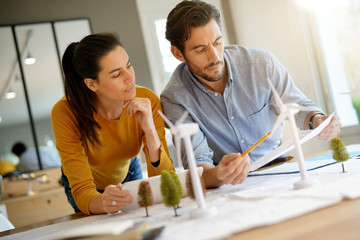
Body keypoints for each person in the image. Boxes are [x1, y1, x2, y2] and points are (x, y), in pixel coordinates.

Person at [160, 0, 341, 189]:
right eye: (200, 49)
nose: (214, 57)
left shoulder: (261, 65)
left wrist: (317, 120)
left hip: (279, 169)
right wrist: (219, 174)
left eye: (217, 42)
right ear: (178, 54)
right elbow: (198, 165)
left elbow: (296, 104)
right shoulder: (175, 99)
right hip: (227, 186)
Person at [51, 32, 174, 215]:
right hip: (86, 186)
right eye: (117, 74)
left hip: (128, 172)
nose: (130, 78)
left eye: (128, 66)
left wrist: (149, 129)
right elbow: (83, 189)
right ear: (92, 84)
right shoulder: (65, 113)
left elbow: (166, 181)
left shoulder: (147, 99)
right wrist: (103, 202)